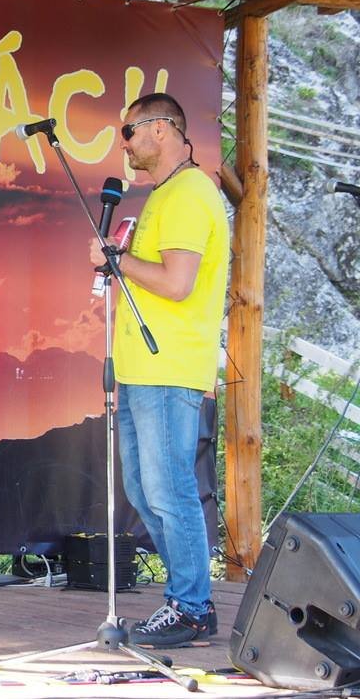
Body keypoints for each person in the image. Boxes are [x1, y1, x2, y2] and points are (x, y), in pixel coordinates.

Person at [89, 92, 228, 649]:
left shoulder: (189, 193)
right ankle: (190, 599)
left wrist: (117, 260)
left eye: (129, 131)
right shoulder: (166, 194)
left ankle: (190, 606)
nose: (123, 143)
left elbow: (177, 283)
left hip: (169, 366)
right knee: (146, 492)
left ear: (162, 129)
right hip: (142, 369)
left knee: (169, 491)